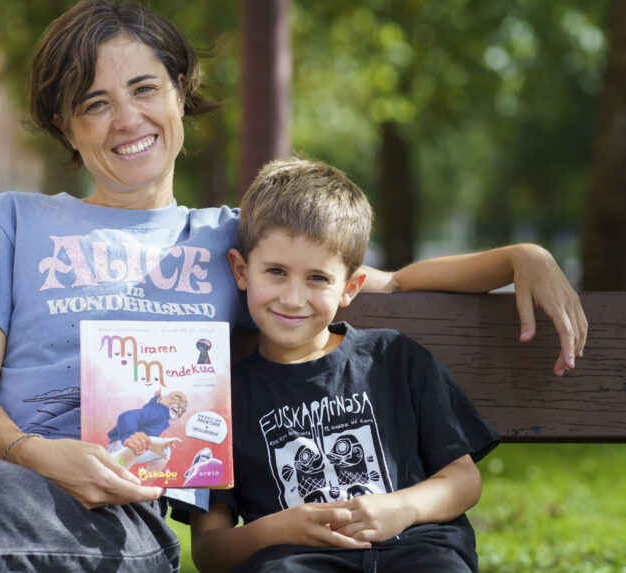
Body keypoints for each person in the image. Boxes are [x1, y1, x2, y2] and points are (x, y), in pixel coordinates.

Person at [0, 1, 581, 570]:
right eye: (94, 102)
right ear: (65, 125)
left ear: (180, 90)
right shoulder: (11, 221)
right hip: (1, 483)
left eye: (143, 88)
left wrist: (521, 255)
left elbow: (382, 278)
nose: (126, 118)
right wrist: (37, 453)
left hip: (124, 519)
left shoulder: (236, 240)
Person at [186, 157, 500, 572]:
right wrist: (278, 530)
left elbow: (463, 481)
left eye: (317, 278)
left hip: (417, 553)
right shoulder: (217, 399)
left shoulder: (394, 359)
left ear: (349, 288)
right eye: (276, 272)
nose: (293, 298)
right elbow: (209, 552)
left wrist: (400, 509)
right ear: (241, 271)